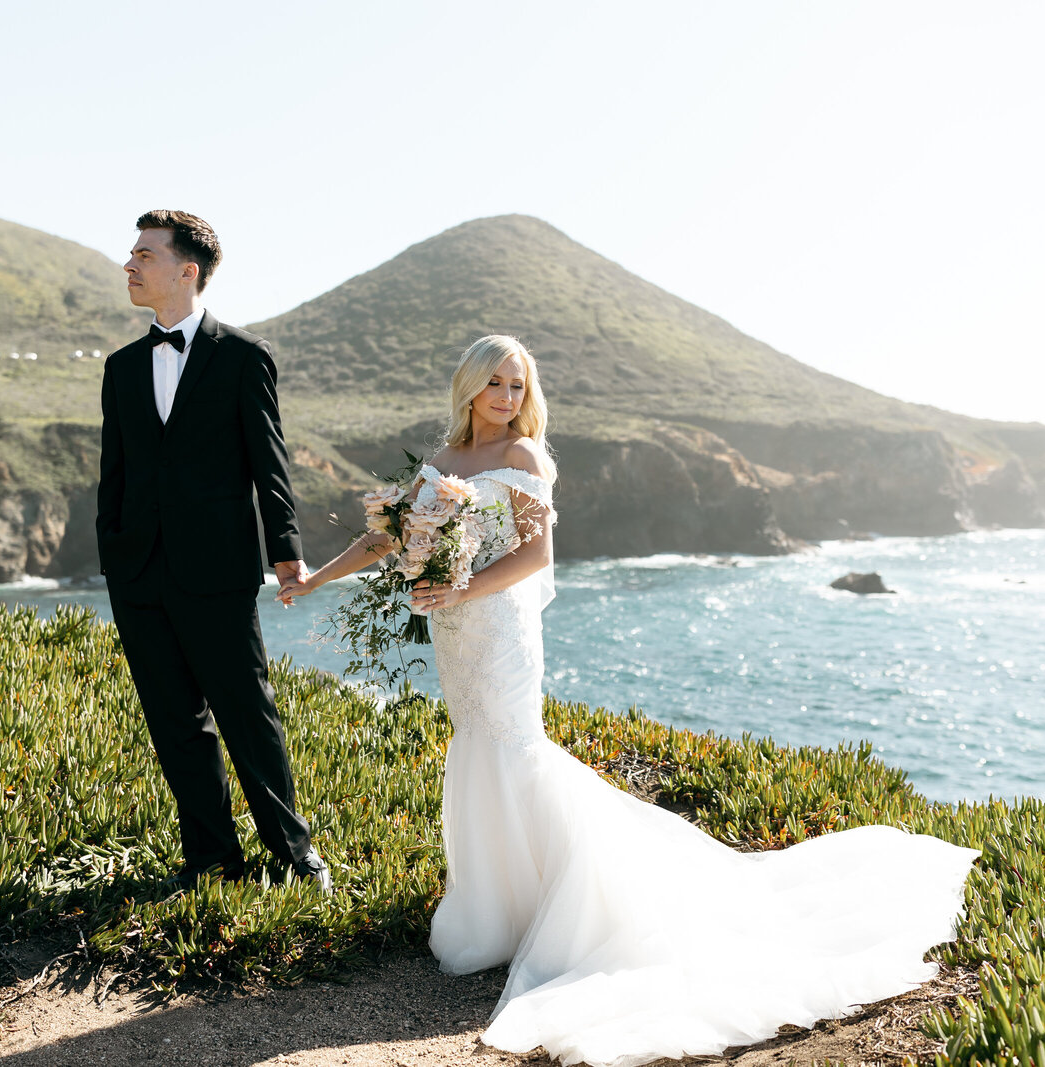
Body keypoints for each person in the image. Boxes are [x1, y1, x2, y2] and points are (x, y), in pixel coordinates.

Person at [288, 334, 980, 1065]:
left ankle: (570, 911)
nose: (507, 396)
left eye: (518, 385)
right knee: (477, 745)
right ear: (467, 387)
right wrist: (313, 577)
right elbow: (385, 540)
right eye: (495, 382)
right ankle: (501, 910)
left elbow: (535, 555)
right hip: (456, 631)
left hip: (498, 625)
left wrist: (459, 587)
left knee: (516, 746)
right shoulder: (443, 465)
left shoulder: (524, 459)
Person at [96, 209, 329, 894]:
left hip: (218, 571)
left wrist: (286, 551)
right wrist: (113, 554)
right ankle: (211, 862)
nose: (130, 264)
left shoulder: (243, 358)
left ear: (186, 269)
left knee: (247, 717)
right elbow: (116, 474)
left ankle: (295, 856)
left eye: (144, 253)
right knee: (175, 723)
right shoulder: (121, 368)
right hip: (138, 574)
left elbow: (270, 464)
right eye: (131, 253)